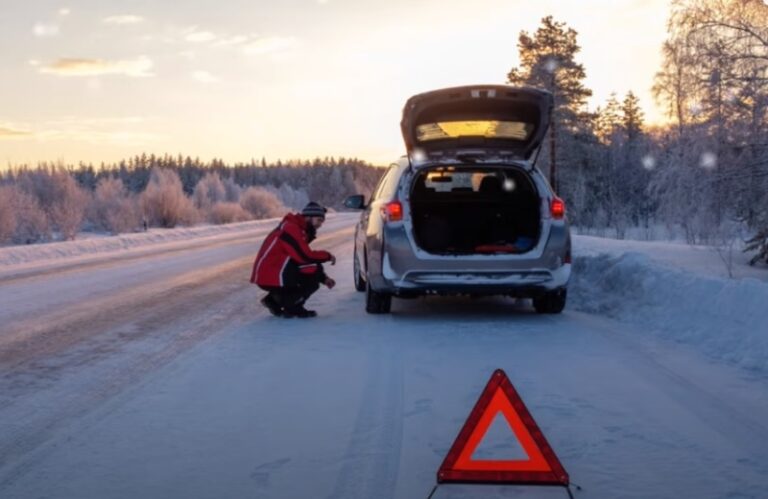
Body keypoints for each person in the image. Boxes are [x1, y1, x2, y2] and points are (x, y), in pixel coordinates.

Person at [250, 202, 336, 318]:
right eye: (319, 220)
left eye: (322, 221)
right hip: (271, 273)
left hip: (272, 272)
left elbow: (302, 259)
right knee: (312, 277)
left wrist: (324, 278)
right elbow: (305, 257)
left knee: (311, 268)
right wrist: (327, 256)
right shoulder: (291, 228)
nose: (320, 224)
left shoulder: (297, 228)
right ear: (308, 217)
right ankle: (292, 307)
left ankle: (273, 301)